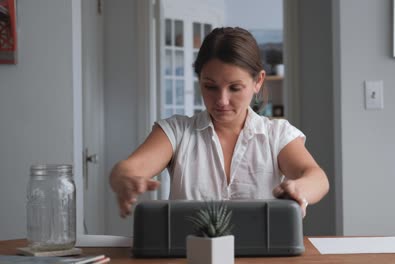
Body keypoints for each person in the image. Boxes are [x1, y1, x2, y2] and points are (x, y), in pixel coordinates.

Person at [109, 27, 329, 218]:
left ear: (258, 81)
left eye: (235, 88)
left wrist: (300, 188)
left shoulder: (277, 134)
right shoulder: (176, 132)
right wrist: (124, 178)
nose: (222, 101)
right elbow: (128, 169)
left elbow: (317, 178)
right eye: (210, 86)